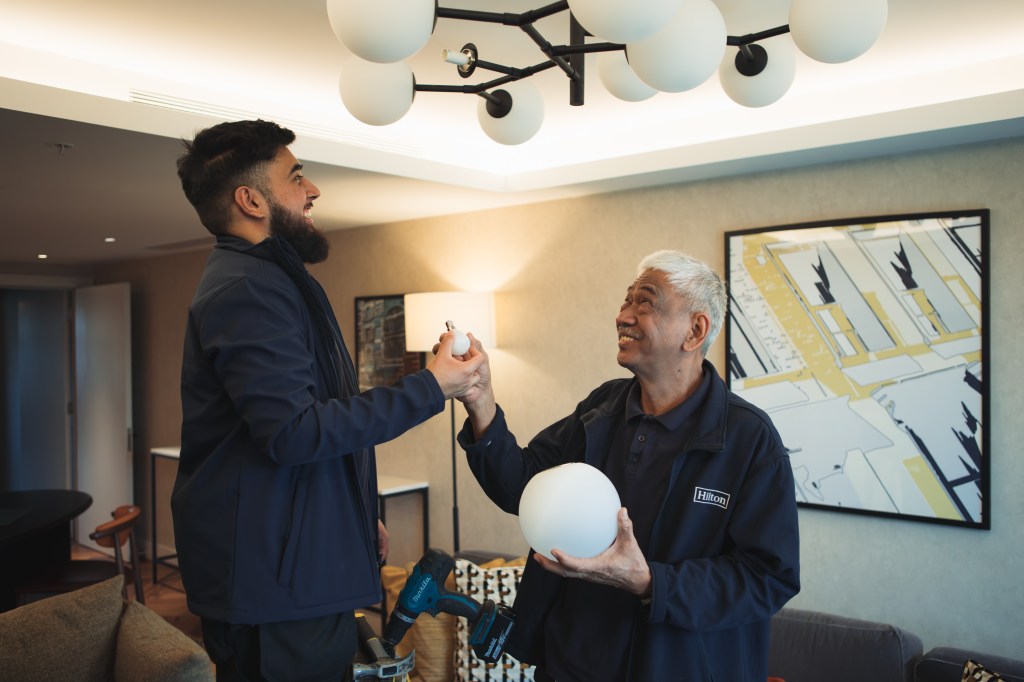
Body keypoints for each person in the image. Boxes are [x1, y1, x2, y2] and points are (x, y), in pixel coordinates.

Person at [171, 119, 483, 681]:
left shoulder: (276, 280)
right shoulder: (246, 290)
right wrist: (432, 386)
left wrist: (357, 515)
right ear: (250, 200)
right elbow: (294, 433)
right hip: (274, 588)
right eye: (295, 177)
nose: (312, 190)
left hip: (296, 570)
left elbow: (320, 416)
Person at [456, 250, 800, 681]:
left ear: (695, 330)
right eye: (626, 300)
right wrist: (480, 399)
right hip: (570, 663)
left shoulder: (750, 440)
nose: (623, 316)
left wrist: (650, 582)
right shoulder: (603, 406)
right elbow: (523, 487)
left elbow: (768, 578)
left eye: (646, 303)